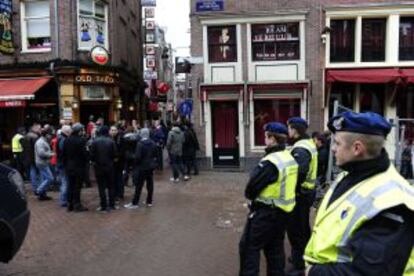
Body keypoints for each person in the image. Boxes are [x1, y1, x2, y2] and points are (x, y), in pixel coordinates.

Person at [304, 111, 414, 275]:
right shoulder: (350, 174)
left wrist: (313, 272)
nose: (333, 149)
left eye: (337, 143)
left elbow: (369, 272)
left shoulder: (393, 201)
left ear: (357, 148)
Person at [239, 122, 298, 276]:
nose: (265, 139)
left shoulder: (271, 162)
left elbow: (251, 189)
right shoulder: (289, 158)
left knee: (249, 248)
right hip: (283, 214)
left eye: (266, 136)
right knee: (275, 250)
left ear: (272, 138)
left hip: (265, 214)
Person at [285, 117, 318, 275]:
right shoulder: (307, 144)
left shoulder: (301, 148)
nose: (288, 131)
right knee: (303, 228)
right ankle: (302, 256)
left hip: (300, 195)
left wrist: (292, 190)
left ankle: (298, 264)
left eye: (289, 128)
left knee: (296, 230)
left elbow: (299, 172)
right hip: (307, 193)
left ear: (295, 130)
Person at [124, 128, 157, 209]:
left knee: (139, 185)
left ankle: (135, 203)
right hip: (150, 166)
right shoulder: (153, 143)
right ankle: (149, 201)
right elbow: (155, 154)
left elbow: (137, 157)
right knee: (150, 184)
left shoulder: (140, 144)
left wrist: (131, 157)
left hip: (142, 167)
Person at [90, 126, 117, 212]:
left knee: (101, 187)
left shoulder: (95, 141)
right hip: (109, 166)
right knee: (111, 186)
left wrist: (95, 161)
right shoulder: (111, 141)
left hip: (98, 166)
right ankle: (112, 204)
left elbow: (91, 155)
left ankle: (103, 205)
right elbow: (115, 154)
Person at [62, 123, 88, 212]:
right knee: (77, 186)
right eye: (82, 130)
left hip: (69, 166)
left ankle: (70, 204)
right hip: (79, 166)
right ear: (79, 131)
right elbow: (84, 154)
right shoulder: (81, 141)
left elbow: (63, 154)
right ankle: (77, 204)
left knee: (70, 185)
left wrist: (65, 164)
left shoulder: (67, 140)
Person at [34, 127, 55, 200]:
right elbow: (41, 153)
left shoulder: (43, 141)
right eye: (50, 134)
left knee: (44, 179)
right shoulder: (40, 142)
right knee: (50, 178)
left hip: (42, 162)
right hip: (42, 163)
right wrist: (51, 154)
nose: (51, 136)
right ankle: (39, 190)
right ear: (46, 135)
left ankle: (42, 195)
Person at [22, 123, 41, 193]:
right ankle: (38, 187)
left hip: (28, 157)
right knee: (38, 172)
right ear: (34, 128)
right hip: (34, 157)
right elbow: (37, 148)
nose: (40, 130)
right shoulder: (35, 137)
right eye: (39, 128)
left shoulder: (26, 136)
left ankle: (34, 187)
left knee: (33, 171)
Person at [57, 125, 71, 207]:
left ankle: (64, 199)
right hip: (63, 163)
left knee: (64, 181)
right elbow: (63, 151)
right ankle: (63, 200)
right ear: (67, 132)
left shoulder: (60, 138)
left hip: (61, 162)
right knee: (65, 181)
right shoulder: (63, 139)